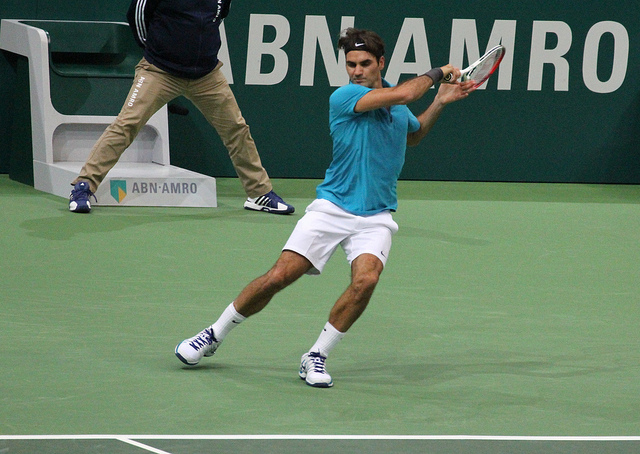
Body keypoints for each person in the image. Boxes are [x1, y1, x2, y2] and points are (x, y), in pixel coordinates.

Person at [175, 28, 476, 387]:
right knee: (279, 277)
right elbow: (409, 92)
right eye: (350, 64)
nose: (356, 71)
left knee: (366, 281)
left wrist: (440, 102)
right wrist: (439, 72)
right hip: (332, 208)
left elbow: (413, 134)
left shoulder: (395, 104)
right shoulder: (346, 96)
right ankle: (213, 334)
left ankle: (316, 355)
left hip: (376, 215)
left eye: (365, 63)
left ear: (380, 63)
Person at [68, 0, 294, 215]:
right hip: (159, 71)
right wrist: (159, 52)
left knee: (236, 129)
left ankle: (258, 193)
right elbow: (137, 18)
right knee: (127, 124)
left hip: (206, 75)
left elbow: (217, 17)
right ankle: (84, 186)